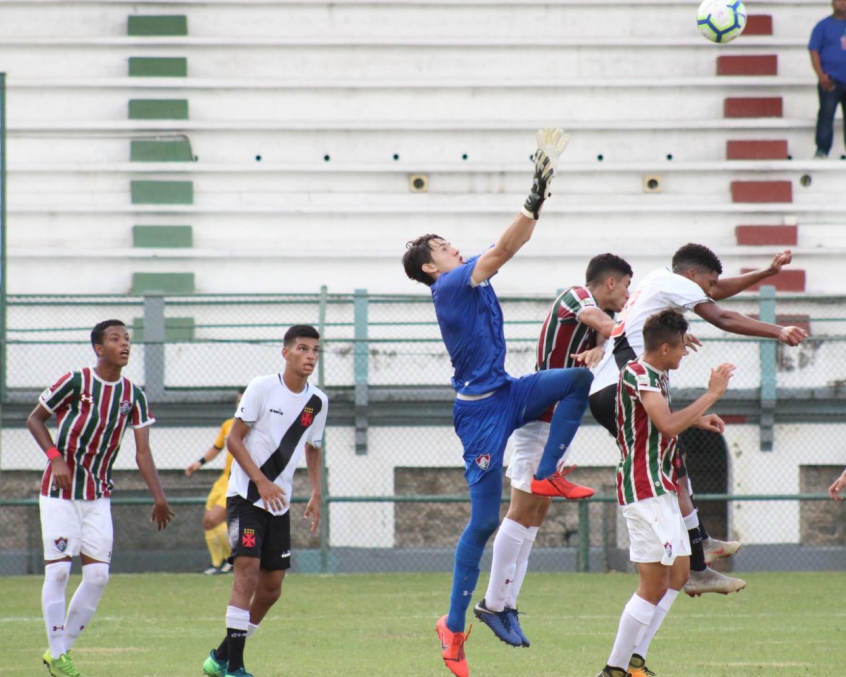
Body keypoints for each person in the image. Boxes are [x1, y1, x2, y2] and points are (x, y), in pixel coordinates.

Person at [403, 127, 596, 677]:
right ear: (431, 269)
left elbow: (505, 247)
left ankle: (550, 470)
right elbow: (509, 246)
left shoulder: (464, 278)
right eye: (443, 247)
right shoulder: (450, 286)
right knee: (485, 521)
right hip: (481, 412)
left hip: (508, 390)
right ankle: (454, 627)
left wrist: (538, 194)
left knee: (577, 382)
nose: (454, 248)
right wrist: (535, 191)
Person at [588, 243, 808, 596]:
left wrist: (766, 273)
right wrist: (777, 331)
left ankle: (698, 550)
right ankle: (695, 563)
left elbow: (716, 292)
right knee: (666, 467)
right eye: (708, 282)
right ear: (691, 275)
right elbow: (721, 315)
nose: (710, 291)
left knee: (674, 463)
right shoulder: (675, 284)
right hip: (616, 385)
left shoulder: (661, 282)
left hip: (608, 388)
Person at [475, 253, 633, 648]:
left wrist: (601, 345)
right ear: (610, 283)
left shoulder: (591, 308)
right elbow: (600, 322)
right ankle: (493, 603)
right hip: (539, 415)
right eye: (627, 286)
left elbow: (599, 331)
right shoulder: (575, 295)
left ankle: (507, 602)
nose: (628, 294)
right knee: (521, 509)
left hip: (554, 418)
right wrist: (627, 330)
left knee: (536, 512)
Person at [27, 319, 175, 677]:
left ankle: (59, 652)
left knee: (97, 579)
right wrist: (56, 458)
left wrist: (159, 497)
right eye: (115, 339)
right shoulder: (76, 381)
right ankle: (60, 657)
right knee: (60, 570)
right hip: (59, 492)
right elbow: (34, 419)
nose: (124, 344)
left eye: (127, 339)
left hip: (98, 496)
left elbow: (142, 453)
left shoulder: (133, 396)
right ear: (98, 347)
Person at [597, 309, 735, 677]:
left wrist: (697, 418)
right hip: (644, 489)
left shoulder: (656, 374)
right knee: (653, 584)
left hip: (664, 488)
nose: (684, 354)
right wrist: (711, 395)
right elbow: (668, 423)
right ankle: (614, 669)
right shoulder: (639, 373)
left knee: (678, 576)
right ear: (662, 348)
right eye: (679, 349)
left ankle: (635, 661)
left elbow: (662, 425)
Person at [201, 325, 327, 677]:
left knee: (271, 590)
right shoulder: (262, 387)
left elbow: (314, 447)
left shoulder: (318, 401)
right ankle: (235, 668)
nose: (310, 356)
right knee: (247, 573)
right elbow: (235, 441)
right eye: (303, 349)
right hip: (246, 497)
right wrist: (261, 481)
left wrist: (316, 492)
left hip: (279, 504)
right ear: (285, 352)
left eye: (315, 350)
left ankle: (220, 657)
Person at [185, 388, 245, 575]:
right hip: (223, 479)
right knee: (207, 521)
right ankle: (218, 563)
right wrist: (199, 462)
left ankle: (233, 559)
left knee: (214, 518)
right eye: (238, 401)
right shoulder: (228, 425)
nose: (240, 405)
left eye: (244, 402)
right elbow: (217, 447)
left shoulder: (256, 426)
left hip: (239, 480)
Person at [809, 0, 846, 159]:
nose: (842, 3)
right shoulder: (822, 26)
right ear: (832, 3)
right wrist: (821, 75)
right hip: (830, 80)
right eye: (839, 0)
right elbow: (814, 50)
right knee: (826, 114)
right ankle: (822, 150)